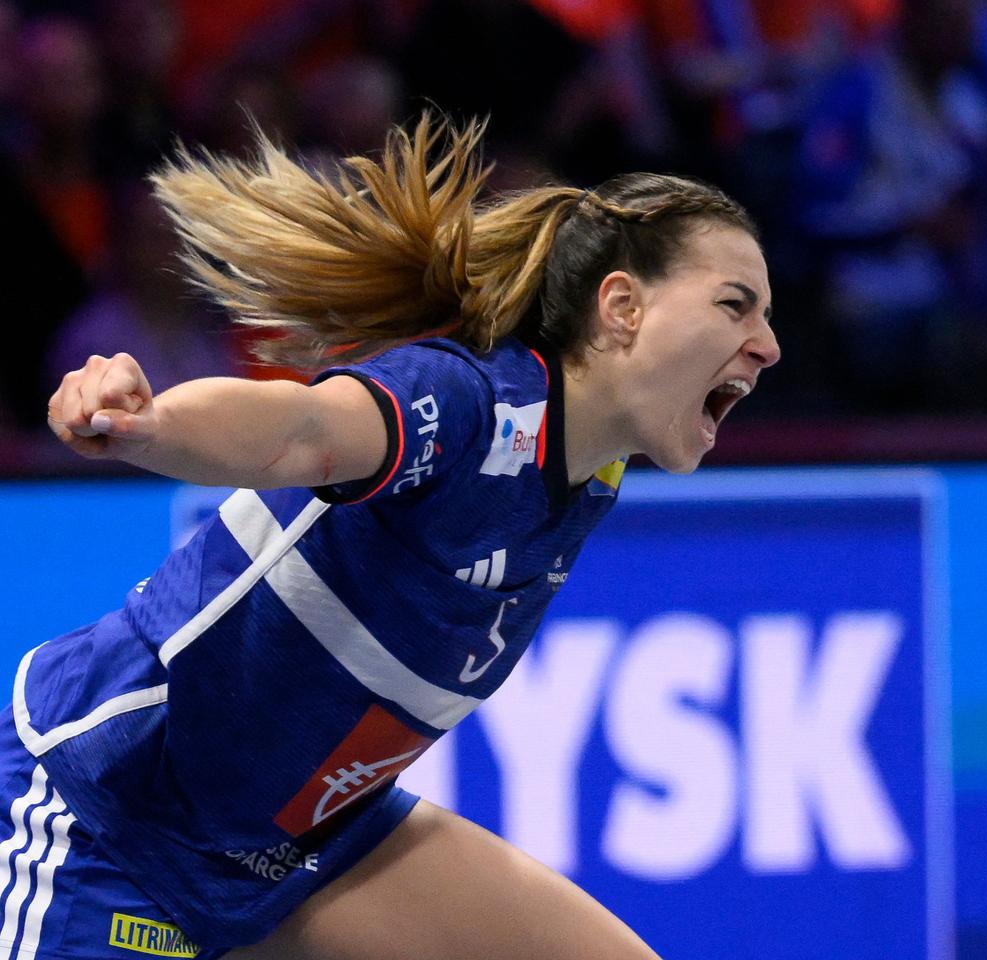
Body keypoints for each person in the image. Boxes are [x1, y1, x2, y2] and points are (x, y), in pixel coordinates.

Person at [15, 113, 779, 960]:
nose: (769, 346)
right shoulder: (466, 403)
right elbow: (302, 429)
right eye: (734, 304)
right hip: (112, 809)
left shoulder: (591, 474)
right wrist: (149, 424)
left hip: (294, 846)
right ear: (623, 308)